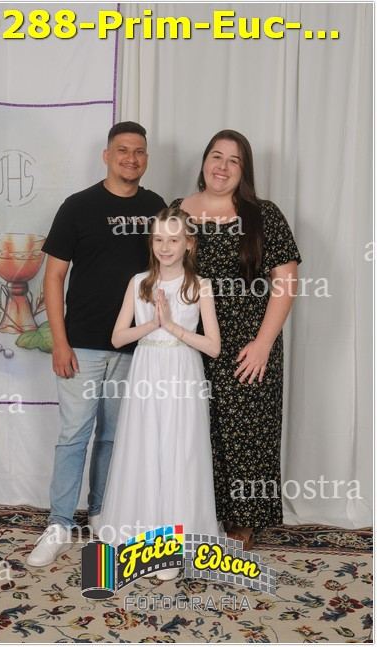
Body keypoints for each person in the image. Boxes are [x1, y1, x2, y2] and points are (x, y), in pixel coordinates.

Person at [26, 122, 166, 567]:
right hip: (82, 344)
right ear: (106, 155)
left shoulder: (156, 207)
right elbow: (53, 277)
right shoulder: (78, 206)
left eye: (139, 151)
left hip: (135, 346)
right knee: (74, 435)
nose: (131, 158)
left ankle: (103, 512)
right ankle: (59, 523)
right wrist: (59, 342)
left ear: (146, 159)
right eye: (122, 150)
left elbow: (167, 269)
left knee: (113, 436)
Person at [171, 130, 301, 550]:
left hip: (249, 342)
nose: (222, 167)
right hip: (192, 340)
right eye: (216, 156)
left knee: (247, 433)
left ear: (244, 171)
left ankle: (242, 522)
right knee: (197, 428)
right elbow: (163, 273)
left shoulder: (263, 215)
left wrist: (264, 343)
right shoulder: (177, 211)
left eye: (234, 160)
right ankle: (198, 511)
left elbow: (286, 281)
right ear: (204, 161)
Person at [99, 207, 221, 580]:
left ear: (189, 244)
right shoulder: (139, 283)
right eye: (158, 240)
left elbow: (213, 347)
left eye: (173, 240)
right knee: (146, 446)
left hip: (183, 372)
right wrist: (152, 323)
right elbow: (117, 337)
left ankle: (174, 543)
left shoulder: (199, 286)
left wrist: (171, 326)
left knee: (179, 449)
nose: (165, 247)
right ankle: (144, 537)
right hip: (147, 371)